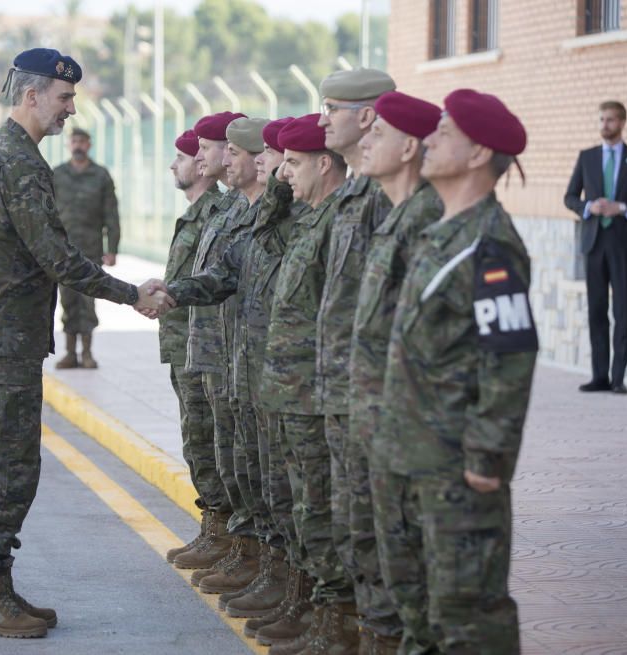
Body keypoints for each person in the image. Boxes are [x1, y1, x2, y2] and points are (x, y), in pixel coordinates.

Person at [0, 48, 171, 639]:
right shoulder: (18, 163)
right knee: (10, 467)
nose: (70, 111)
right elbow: (56, 257)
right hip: (4, 337)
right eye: (63, 97)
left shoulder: (6, 153)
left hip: (2, 332)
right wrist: (133, 294)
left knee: (11, 463)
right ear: (31, 95)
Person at [376, 88, 538, 654]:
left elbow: (510, 355)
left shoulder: (490, 245)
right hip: (410, 457)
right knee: (418, 613)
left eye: (444, 132)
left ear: (476, 156)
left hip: (456, 472)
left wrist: (488, 458)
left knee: (467, 617)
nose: (430, 140)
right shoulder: (439, 233)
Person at [149, 117, 305, 619]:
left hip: (272, 372)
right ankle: (252, 556)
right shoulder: (247, 216)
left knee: (277, 480)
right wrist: (170, 293)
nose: (249, 161)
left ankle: (292, 586)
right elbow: (221, 275)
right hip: (232, 357)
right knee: (239, 463)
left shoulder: (284, 218)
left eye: (250, 153)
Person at [349, 90, 443, 654]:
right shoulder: (399, 215)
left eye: (376, 134)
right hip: (381, 422)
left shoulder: (426, 221)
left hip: (412, 433)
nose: (365, 141)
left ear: (409, 147)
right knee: (390, 560)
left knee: (417, 571)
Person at [258, 114, 349, 654]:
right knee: (303, 508)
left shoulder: (339, 222)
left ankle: (338, 624)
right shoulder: (311, 219)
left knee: (321, 509)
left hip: (319, 398)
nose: (282, 174)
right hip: (293, 392)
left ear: (323, 163)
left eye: (291, 163)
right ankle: (316, 609)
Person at [313, 67, 396, 655]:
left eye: (331, 109)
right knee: (350, 526)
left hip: (370, 398)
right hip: (341, 392)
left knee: (375, 531)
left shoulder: (385, 198)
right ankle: (360, 631)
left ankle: (381, 637)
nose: (322, 121)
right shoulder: (351, 195)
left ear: (366, 116)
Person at [171, 111, 254, 578]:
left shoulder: (231, 211)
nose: (199, 157)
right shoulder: (229, 212)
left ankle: (247, 551)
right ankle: (221, 533)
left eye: (206, 147)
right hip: (206, 347)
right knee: (212, 448)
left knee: (238, 456)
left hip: (234, 354)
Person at [160, 129, 231, 569]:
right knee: (197, 439)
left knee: (211, 441)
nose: (178, 164)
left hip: (205, 346)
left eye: (186, 156)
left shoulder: (216, 213)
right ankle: (214, 529)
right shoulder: (196, 215)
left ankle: (224, 534)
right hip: (184, 344)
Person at [564, 100, 627, 394]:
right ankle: (599, 376)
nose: (604, 125)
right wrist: (588, 207)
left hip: (624, 245)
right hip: (594, 243)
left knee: (622, 310)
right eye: (601, 119)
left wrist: (621, 207)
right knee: (596, 310)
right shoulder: (587, 157)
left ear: (622, 123)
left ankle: (618, 378)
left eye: (610, 120)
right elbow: (570, 197)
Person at [52, 127, 121, 369]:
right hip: (63, 251)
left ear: (89, 145)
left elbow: (111, 214)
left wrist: (112, 248)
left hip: (91, 251)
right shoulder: (57, 175)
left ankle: (88, 353)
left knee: (89, 300)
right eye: (74, 141)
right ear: (69, 145)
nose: (78, 145)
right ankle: (70, 353)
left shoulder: (100, 175)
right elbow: (48, 212)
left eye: (83, 141)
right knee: (68, 301)